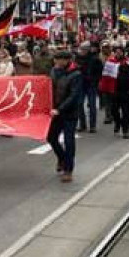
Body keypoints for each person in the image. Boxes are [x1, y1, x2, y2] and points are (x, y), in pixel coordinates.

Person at [48, 50, 83, 182]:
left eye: (58, 60)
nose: (55, 62)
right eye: (55, 60)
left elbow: (73, 96)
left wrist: (60, 109)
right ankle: (62, 158)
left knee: (69, 141)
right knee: (51, 137)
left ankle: (68, 170)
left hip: (69, 112)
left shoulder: (76, 74)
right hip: (55, 110)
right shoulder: (54, 70)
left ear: (66, 60)